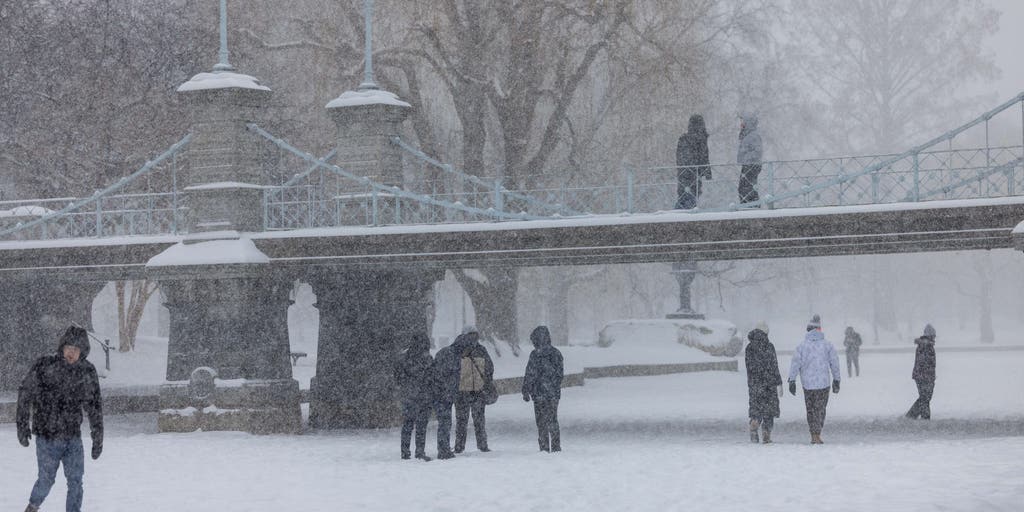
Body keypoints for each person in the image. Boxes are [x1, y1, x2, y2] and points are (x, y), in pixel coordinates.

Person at [16, 325, 104, 512]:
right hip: (47, 436)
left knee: (76, 481)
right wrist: (22, 425)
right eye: (68, 348)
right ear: (62, 347)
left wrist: (98, 436)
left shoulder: (87, 372)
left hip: (72, 438)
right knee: (46, 479)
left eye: (76, 349)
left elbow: (94, 406)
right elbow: (25, 393)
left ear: (83, 352)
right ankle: (32, 507)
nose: (71, 353)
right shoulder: (45, 365)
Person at [787, 314, 841, 444]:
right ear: (819, 330)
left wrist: (792, 380)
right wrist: (836, 380)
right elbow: (834, 363)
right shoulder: (827, 345)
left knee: (810, 409)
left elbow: (795, 364)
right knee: (821, 409)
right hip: (823, 384)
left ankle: (813, 433)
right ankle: (817, 433)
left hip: (808, 385)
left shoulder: (801, 347)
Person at [522, 326, 564, 452]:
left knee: (541, 422)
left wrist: (526, 389)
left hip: (539, 394)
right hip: (552, 394)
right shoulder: (556, 353)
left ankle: (544, 446)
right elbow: (559, 375)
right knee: (553, 420)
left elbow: (530, 374)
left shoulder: (535, 355)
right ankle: (556, 446)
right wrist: (553, 387)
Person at [453, 325, 494, 453]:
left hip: (462, 390)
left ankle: (459, 446)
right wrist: (485, 380)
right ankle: (482, 445)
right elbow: (489, 368)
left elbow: (452, 368)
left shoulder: (456, 349)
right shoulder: (481, 349)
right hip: (477, 389)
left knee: (461, 420)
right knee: (479, 419)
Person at [394, 333, 434, 461]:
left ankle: (405, 452)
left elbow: (398, 377)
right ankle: (419, 451)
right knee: (421, 425)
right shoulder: (427, 358)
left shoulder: (403, 357)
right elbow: (431, 375)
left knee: (408, 424)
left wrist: (406, 386)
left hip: (409, 395)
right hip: (423, 395)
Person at [430, 333, 467, 460]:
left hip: (440, 393)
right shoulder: (454, 357)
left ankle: (444, 448)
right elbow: (446, 375)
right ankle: (443, 450)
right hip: (443, 394)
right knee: (445, 422)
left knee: (444, 422)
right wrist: (447, 390)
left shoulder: (444, 352)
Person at [744, 322, 782, 444]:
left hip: (755, 383)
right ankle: (766, 433)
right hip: (769, 383)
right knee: (769, 410)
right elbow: (774, 365)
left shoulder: (749, 348)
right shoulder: (769, 346)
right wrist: (778, 382)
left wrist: (753, 380)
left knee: (756, 407)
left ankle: (754, 423)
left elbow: (749, 367)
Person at [675, 114, 711, 210]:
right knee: (691, 196)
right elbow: (704, 156)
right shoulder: (701, 138)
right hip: (694, 174)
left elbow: (680, 157)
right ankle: (683, 215)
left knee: (685, 196)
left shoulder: (684, 138)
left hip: (685, 173)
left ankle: (678, 216)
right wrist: (707, 172)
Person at [906, 324, 937, 420]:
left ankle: (918, 416)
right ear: (930, 335)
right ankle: (916, 416)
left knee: (925, 398)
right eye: (933, 335)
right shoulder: (925, 346)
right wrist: (928, 375)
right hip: (924, 376)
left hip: (924, 375)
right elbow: (924, 361)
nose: (935, 338)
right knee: (925, 398)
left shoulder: (926, 345)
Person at [737, 112, 763, 204]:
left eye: (743, 122)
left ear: (749, 123)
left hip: (751, 165)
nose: (741, 124)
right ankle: (749, 206)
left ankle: (751, 208)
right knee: (745, 188)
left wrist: (746, 157)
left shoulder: (753, 136)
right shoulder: (747, 135)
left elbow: (758, 152)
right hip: (748, 165)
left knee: (747, 189)